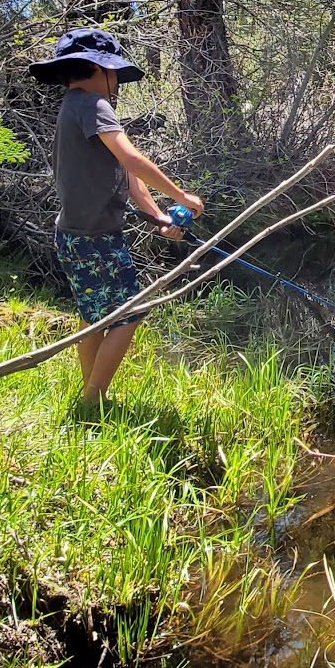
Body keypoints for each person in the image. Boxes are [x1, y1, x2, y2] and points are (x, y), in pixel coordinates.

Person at [28, 27, 203, 413]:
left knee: (93, 316)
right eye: (113, 72)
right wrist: (181, 197)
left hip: (74, 236)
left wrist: (159, 216)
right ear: (97, 69)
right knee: (130, 314)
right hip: (95, 240)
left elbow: (127, 175)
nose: (116, 82)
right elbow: (132, 159)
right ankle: (94, 397)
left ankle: (92, 399)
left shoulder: (73, 106)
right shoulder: (93, 105)